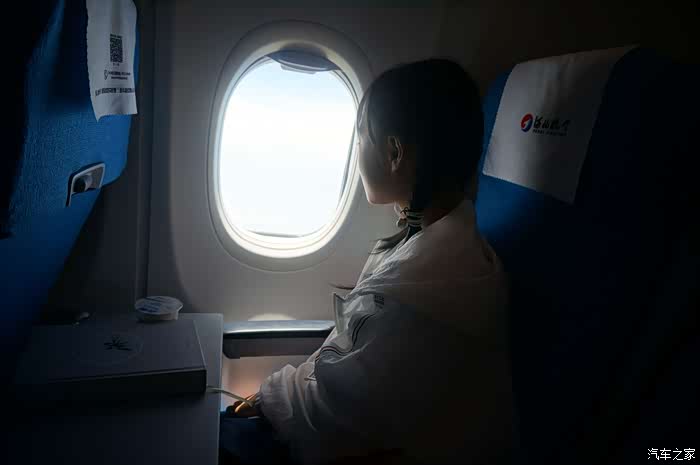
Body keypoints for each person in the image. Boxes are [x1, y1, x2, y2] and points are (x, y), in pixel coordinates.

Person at [220, 58, 514, 465]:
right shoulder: (434, 246)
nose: (356, 150)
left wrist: (269, 397)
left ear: (394, 153)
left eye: (361, 138)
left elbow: (334, 420)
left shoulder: (424, 290)